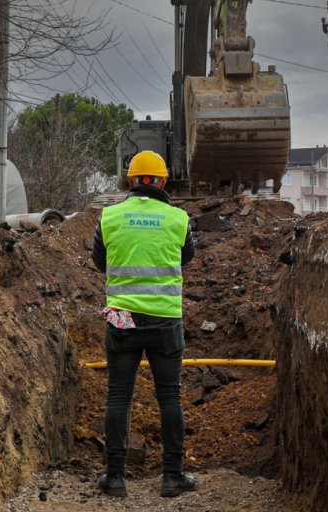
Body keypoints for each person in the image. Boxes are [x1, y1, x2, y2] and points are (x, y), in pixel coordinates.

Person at [90, 150, 196, 498]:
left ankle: (115, 478)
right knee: (170, 396)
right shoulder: (178, 218)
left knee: (119, 396)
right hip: (165, 318)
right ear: (163, 181)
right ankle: (172, 476)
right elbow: (186, 257)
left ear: (130, 181)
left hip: (122, 318)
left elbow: (100, 261)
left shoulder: (109, 217)